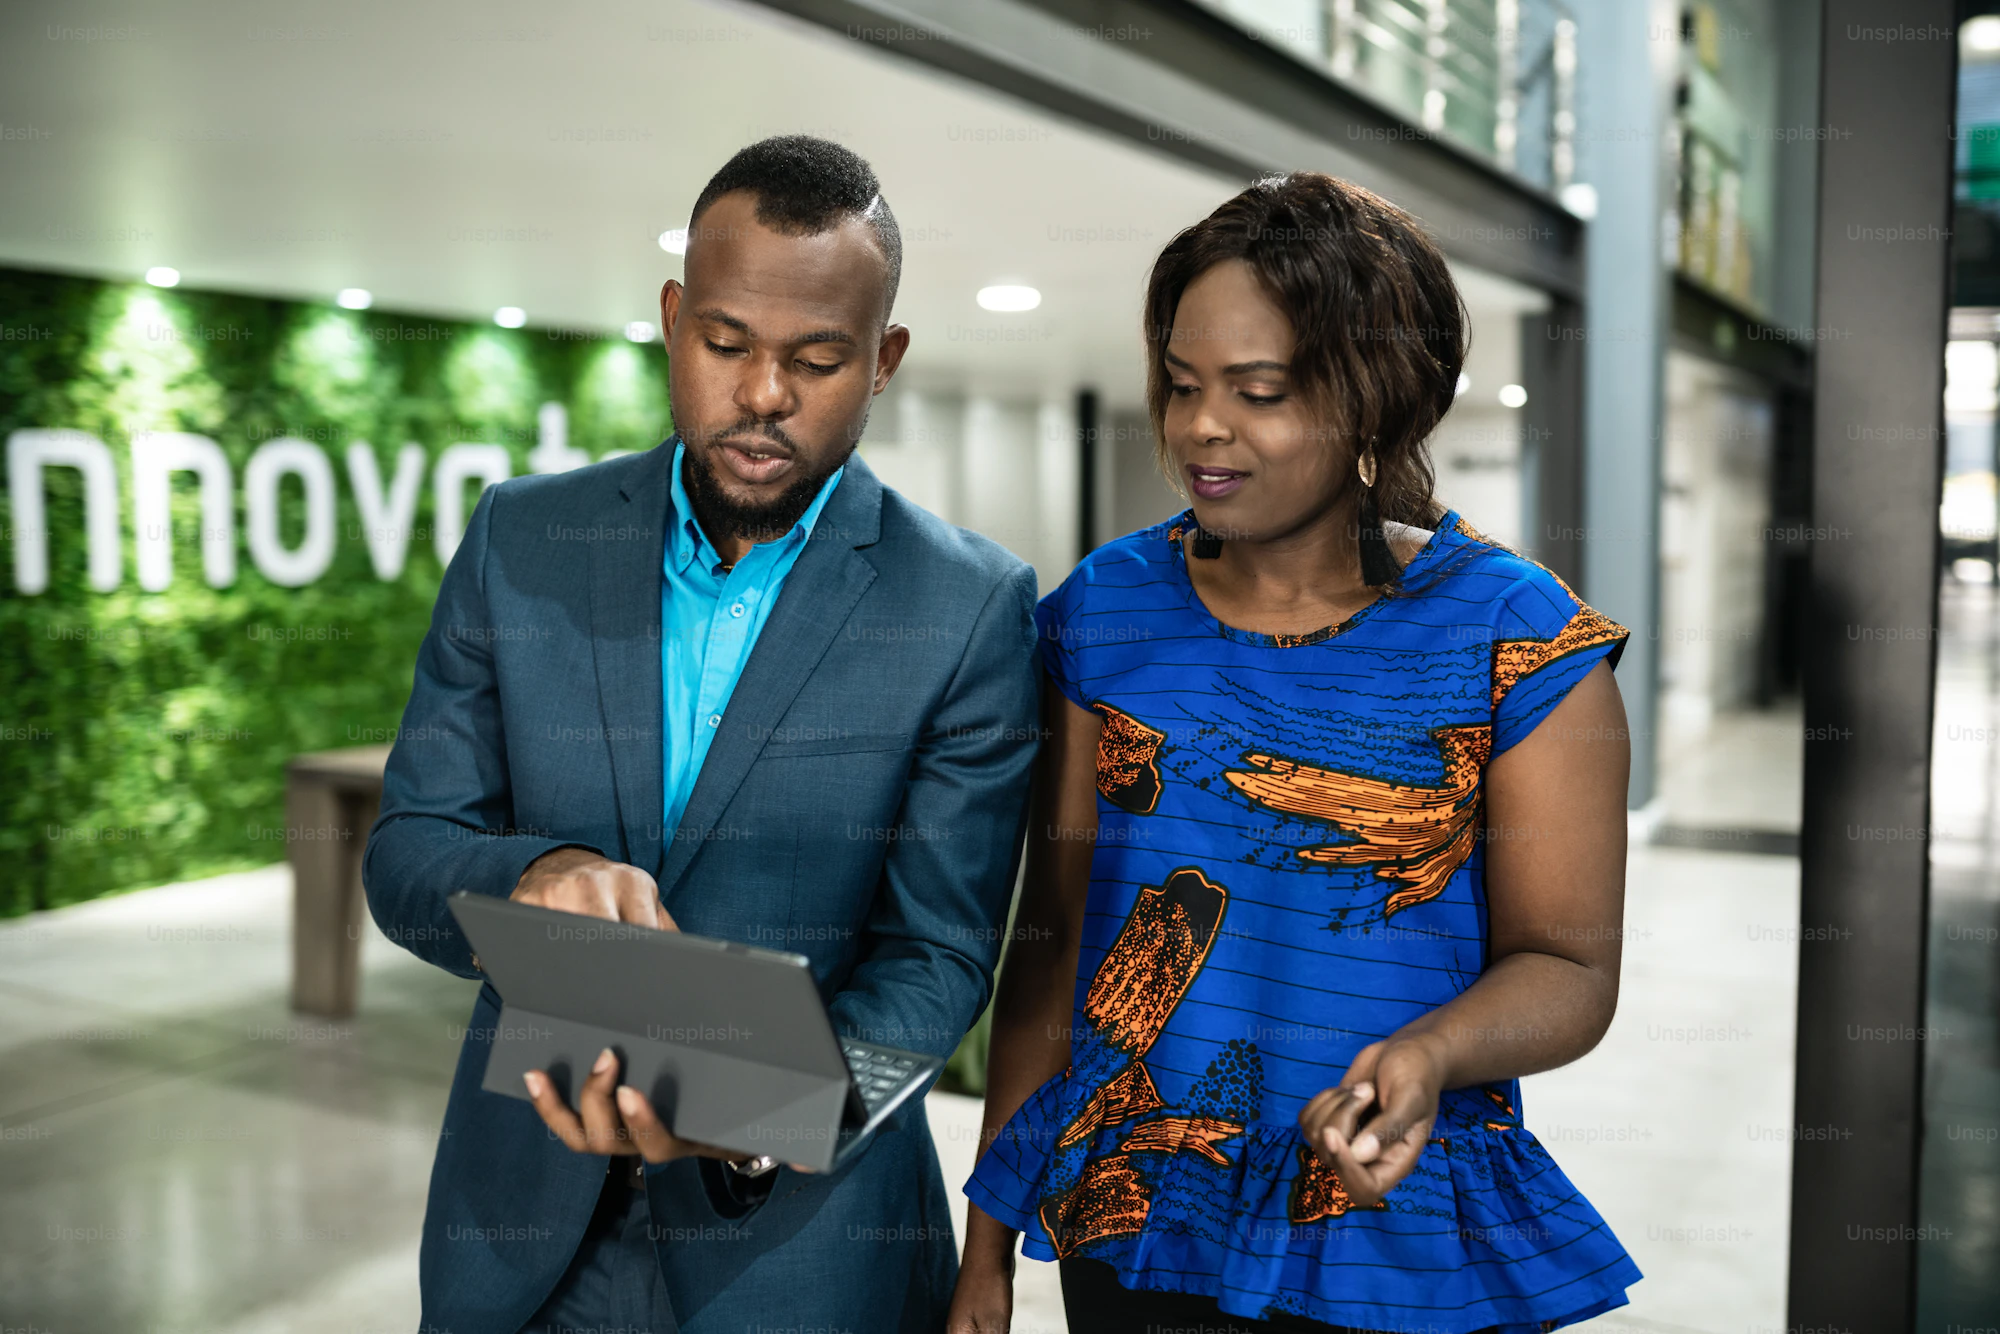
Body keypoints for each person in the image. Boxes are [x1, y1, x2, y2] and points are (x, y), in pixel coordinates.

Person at [363, 135, 1040, 1334]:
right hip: (520, 1239)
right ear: (674, 319)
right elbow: (410, 849)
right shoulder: (521, 539)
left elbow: (937, 960)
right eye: (726, 345)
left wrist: (764, 1108)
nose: (764, 395)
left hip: (796, 1256)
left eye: (817, 359)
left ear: (881, 361)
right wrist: (534, 874)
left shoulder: (966, 605)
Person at [950, 172, 1644, 1333]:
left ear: (1372, 405)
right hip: (1138, 1214)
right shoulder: (1101, 614)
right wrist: (986, 1252)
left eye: (1256, 391)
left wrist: (1428, 1051)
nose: (1200, 428)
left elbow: (1566, 966)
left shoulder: (1516, 642)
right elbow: (1055, 942)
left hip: (1392, 1225)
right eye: (1180, 385)